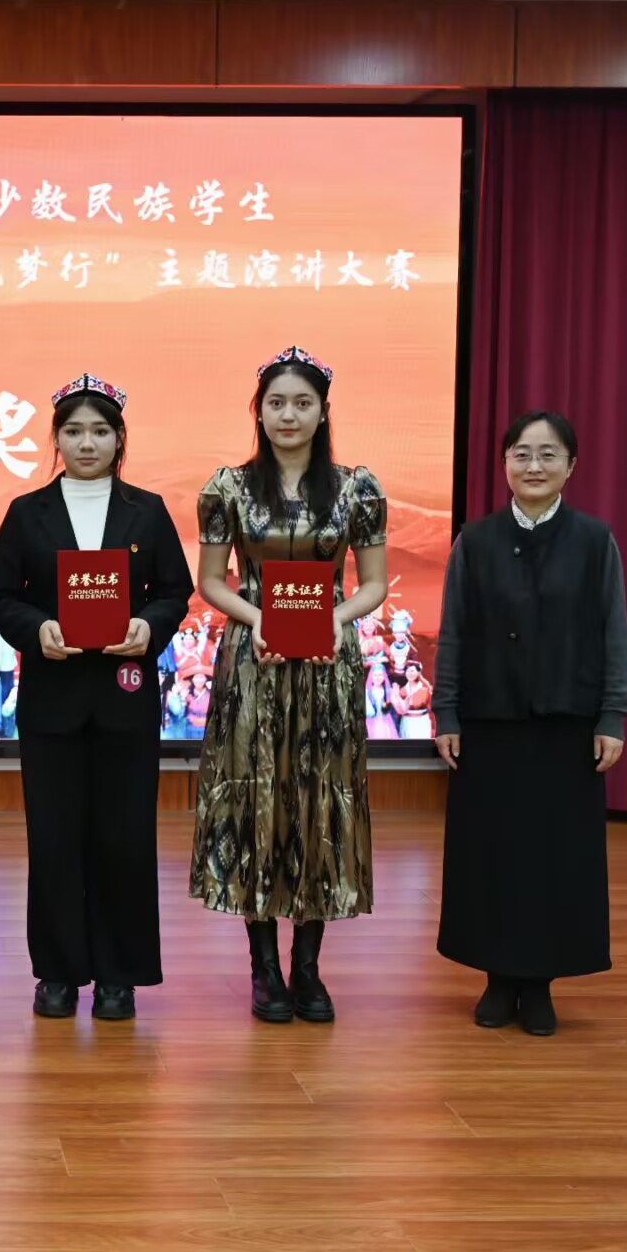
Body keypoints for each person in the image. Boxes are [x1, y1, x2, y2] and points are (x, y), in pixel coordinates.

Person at [0, 373, 194, 1022]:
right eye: (73, 431)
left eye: (100, 430)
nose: (87, 443)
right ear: (56, 439)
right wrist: (37, 629)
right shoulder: (28, 512)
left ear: (120, 438)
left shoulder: (146, 511)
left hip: (125, 698)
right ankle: (57, 972)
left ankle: (117, 974)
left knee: (124, 837)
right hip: (52, 699)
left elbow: (174, 592)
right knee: (53, 836)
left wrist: (148, 627)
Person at [189, 347, 389, 1024]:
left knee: (318, 799)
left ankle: (308, 967)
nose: (289, 415)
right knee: (256, 799)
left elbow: (373, 584)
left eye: (303, 403)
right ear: (260, 410)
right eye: (276, 402)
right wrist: (260, 620)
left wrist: (335, 618)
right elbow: (211, 581)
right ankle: (264, 968)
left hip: (327, 660)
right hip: (256, 658)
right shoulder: (228, 487)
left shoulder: (357, 488)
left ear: (323, 411)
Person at [434, 411, 627, 1038]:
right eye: (522, 454)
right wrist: (446, 710)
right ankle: (497, 978)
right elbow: (454, 631)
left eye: (548, 455)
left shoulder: (594, 541)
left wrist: (613, 714)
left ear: (571, 466)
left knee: (554, 857)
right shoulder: (476, 540)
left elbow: (614, 632)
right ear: (505, 465)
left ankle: (539, 982)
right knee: (491, 854)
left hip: (565, 726)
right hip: (490, 722)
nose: (534, 466)